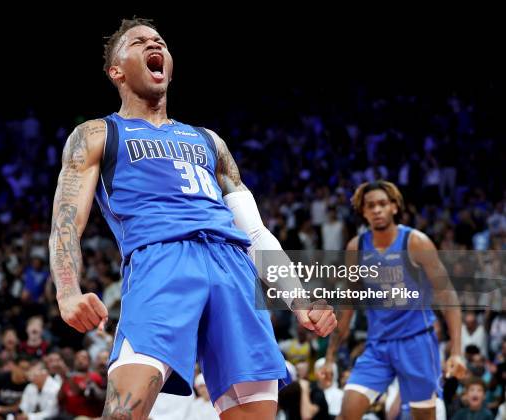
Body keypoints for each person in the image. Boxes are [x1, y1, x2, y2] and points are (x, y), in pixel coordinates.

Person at [48, 17, 336, 419]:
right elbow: (66, 224)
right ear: (116, 71)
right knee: (123, 412)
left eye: (160, 41)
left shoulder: (209, 141)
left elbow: (252, 229)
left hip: (232, 268)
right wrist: (67, 292)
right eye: (140, 42)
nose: (155, 44)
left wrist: (296, 294)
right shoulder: (97, 134)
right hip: (162, 261)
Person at [321, 180, 467, 420]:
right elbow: (347, 304)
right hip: (378, 345)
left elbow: (447, 295)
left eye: (382, 204)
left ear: (394, 207)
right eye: (370, 206)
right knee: (347, 413)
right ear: (363, 211)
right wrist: (329, 358)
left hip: (417, 342)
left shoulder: (416, 242)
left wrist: (456, 351)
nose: (377, 210)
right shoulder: (356, 248)